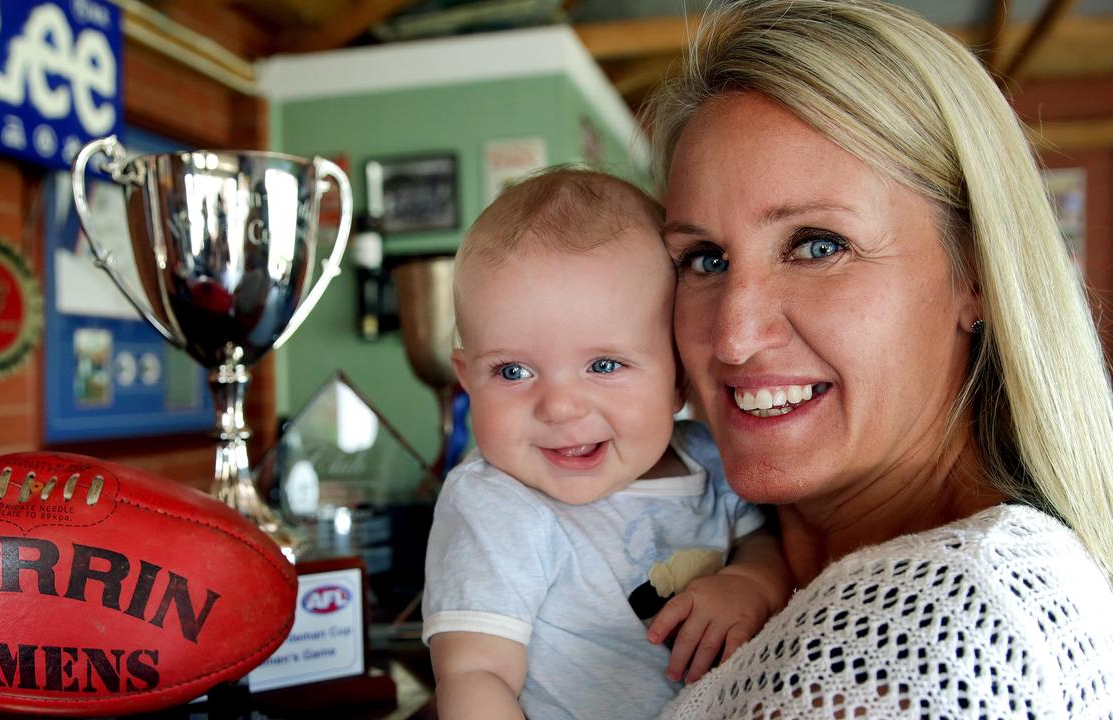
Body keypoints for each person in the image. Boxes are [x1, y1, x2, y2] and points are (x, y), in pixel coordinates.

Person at [643, 1, 1113, 717]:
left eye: (818, 245)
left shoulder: (946, 635)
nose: (734, 337)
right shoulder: (717, 539)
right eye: (704, 258)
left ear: (977, 273)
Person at [422, 167, 792, 720]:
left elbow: (764, 543)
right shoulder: (495, 503)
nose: (559, 407)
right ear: (467, 377)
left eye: (604, 365)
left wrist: (749, 581)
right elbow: (477, 675)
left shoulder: (709, 460)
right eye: (513, 371)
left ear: (677, 379)